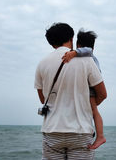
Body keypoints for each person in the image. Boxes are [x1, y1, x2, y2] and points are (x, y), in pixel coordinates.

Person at [34, 23, 107, 159]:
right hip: (80, 130)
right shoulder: (86, 60)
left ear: (51, 43)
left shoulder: (42, 63)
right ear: (71, 38)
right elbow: (102, 94)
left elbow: (43, 99)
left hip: (52, 131)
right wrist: (88, 105)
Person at [62, 29, 106, 149]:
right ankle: (100, 135)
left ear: (78, 45)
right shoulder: (90, 55)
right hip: (91, 86)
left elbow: (87, 50)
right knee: (94, 111)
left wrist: (74, 53)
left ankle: (100, 136)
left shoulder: (88, 54)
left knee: (94, 111)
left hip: (91, 87)